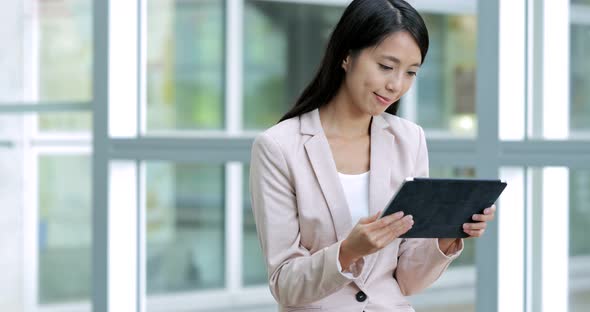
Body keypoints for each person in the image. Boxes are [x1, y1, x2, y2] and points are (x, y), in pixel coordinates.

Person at [249, 0, 496, 311]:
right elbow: (285, 284)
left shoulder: (410, 139)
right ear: (346, 56)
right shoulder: (278, 147)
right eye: (386, 67)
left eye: (410, 73)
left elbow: (407, 280)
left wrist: (447, 236)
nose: (396, 85)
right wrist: (348, 252)